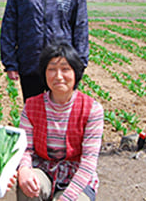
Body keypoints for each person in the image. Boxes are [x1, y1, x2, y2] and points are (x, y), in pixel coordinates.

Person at [16, 42, 103, 201]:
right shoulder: (32, 106)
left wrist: (66, 198)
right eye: (52, 69)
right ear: (44, 73)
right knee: (28, 186)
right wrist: (24, 169)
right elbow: (25, 149)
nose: (58, 76)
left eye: (65, 69)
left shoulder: (92, 109)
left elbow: (88, 163)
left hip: (76, 175)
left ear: (76, 73)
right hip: (43, 168)